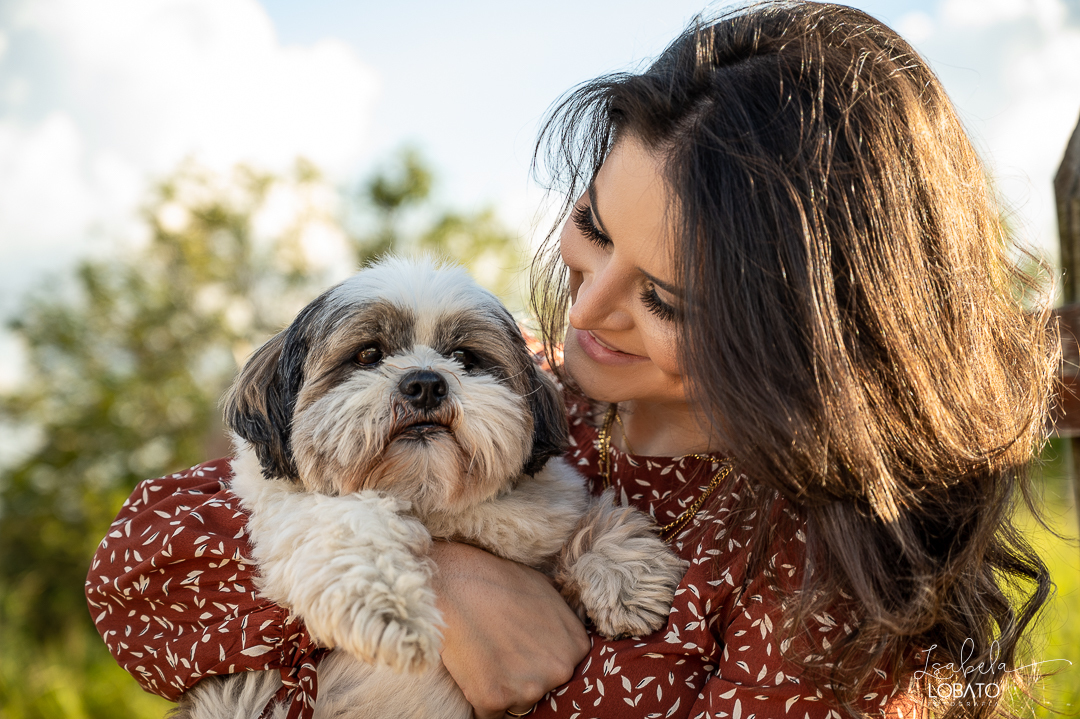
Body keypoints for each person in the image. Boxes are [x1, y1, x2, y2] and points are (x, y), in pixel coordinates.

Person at [85, 3, 1056, 718]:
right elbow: (135, 585)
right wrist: (450, 577)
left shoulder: (819, 579)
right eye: (593, 226)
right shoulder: (544, 385)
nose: (589, 305)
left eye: (665, 297)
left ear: (798, 332)